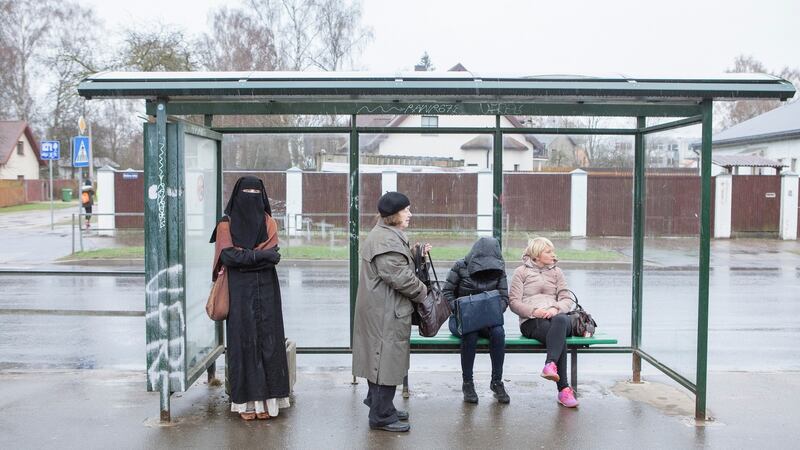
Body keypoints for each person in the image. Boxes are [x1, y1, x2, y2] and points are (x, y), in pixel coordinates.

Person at [209, 176, 290, 421]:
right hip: (239, 293)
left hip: (266, 291)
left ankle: (267, 403)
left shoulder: (269, 222)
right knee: (243, 344)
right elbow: (229, 257)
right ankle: (246, 405)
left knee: (269, 343)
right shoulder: (226, 224)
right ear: (237, 194)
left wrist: (246, 258)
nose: (252, 196)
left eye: (257, 191)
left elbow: (273, 255)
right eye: (248, 191)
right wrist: (259, 258)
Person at [352, 192, 429, 432]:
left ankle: (380, 404)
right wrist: (424, 292)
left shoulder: (386, 235)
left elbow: (398, 268)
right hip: (385, 313)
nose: (410, 214)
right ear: (394, 214)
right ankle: (381, 415)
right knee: (385, 360)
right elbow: (401, 278)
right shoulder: (385, 241)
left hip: (384, 310)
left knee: (382, 359)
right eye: (406, 210)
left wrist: (416, 256)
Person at [508, 237, 579, 408]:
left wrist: (555, 308)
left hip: (557, 318)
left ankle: (550, 364)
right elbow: (514, 302)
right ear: (537, 254)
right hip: (532, 321)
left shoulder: (557, 272)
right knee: (558, 337)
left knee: (561, 320)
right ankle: (563, 390)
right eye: (548, 252)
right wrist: (534, 312)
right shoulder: (521, 272)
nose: (553, 255)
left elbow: (566, 299)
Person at [442, 237, 510, 404]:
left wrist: (492, 311)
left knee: (498, 332)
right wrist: (461, 309)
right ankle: (468, 383)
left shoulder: (499, 269)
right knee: (470, 334)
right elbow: (447, 293)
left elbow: (504, 297)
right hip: (461, 319)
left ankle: (497, 382)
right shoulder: (460, 266)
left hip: (487, 319)